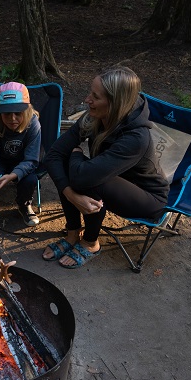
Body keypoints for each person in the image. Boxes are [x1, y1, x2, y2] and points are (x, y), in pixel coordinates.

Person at [42, 65, 169, 268]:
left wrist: (76, 155)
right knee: (72, 166)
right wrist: (69, 193)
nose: (87, 100)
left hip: (145, 196)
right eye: (90, 92)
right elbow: (53, 155)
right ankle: (73, 233)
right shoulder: (95, 115)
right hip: (107, 176)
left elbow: (83, 177)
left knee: (87, 177)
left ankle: (91, 242)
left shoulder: (136, 137)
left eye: (95, 96)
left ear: (115, 103)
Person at [0, 82, 42, 227]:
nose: (12, 118)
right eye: (7, 113)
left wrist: (13, 175)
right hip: (0, 160)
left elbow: (32, 159)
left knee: (30, 179)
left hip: (23, 162)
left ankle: (24, 204)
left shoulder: (33, 125)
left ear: (26, 110)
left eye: (17, 113)